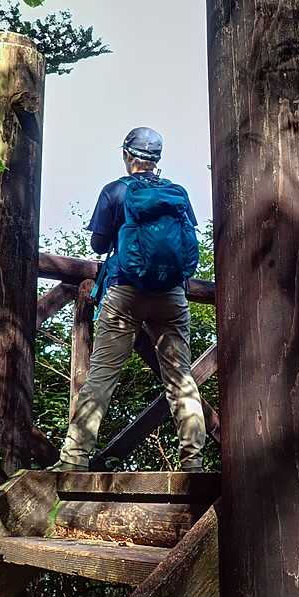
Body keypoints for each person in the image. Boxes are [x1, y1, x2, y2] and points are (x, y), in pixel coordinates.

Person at [52, 127, 207, 472]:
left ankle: (74, 459)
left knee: (102, 376)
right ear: (157, 159)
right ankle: (193, 463)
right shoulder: (176, 193)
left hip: (125, 291)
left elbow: (97, 244)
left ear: (126, 155)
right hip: (172, 295)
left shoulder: (115, 191)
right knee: (181, 378)